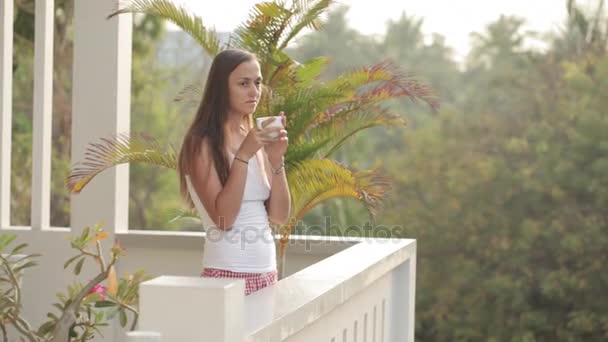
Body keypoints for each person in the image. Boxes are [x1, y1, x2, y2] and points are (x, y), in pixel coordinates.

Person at [177, 49, 291, 295]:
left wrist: (276, 159)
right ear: (221, 88)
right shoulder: (201, 143)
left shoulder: (253, 137)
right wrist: (243, 156)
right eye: (243, 83)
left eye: (258, 82)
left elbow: (280, 216)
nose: (254, 91)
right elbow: (224, 220)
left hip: (267, 274)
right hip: (227, 276)